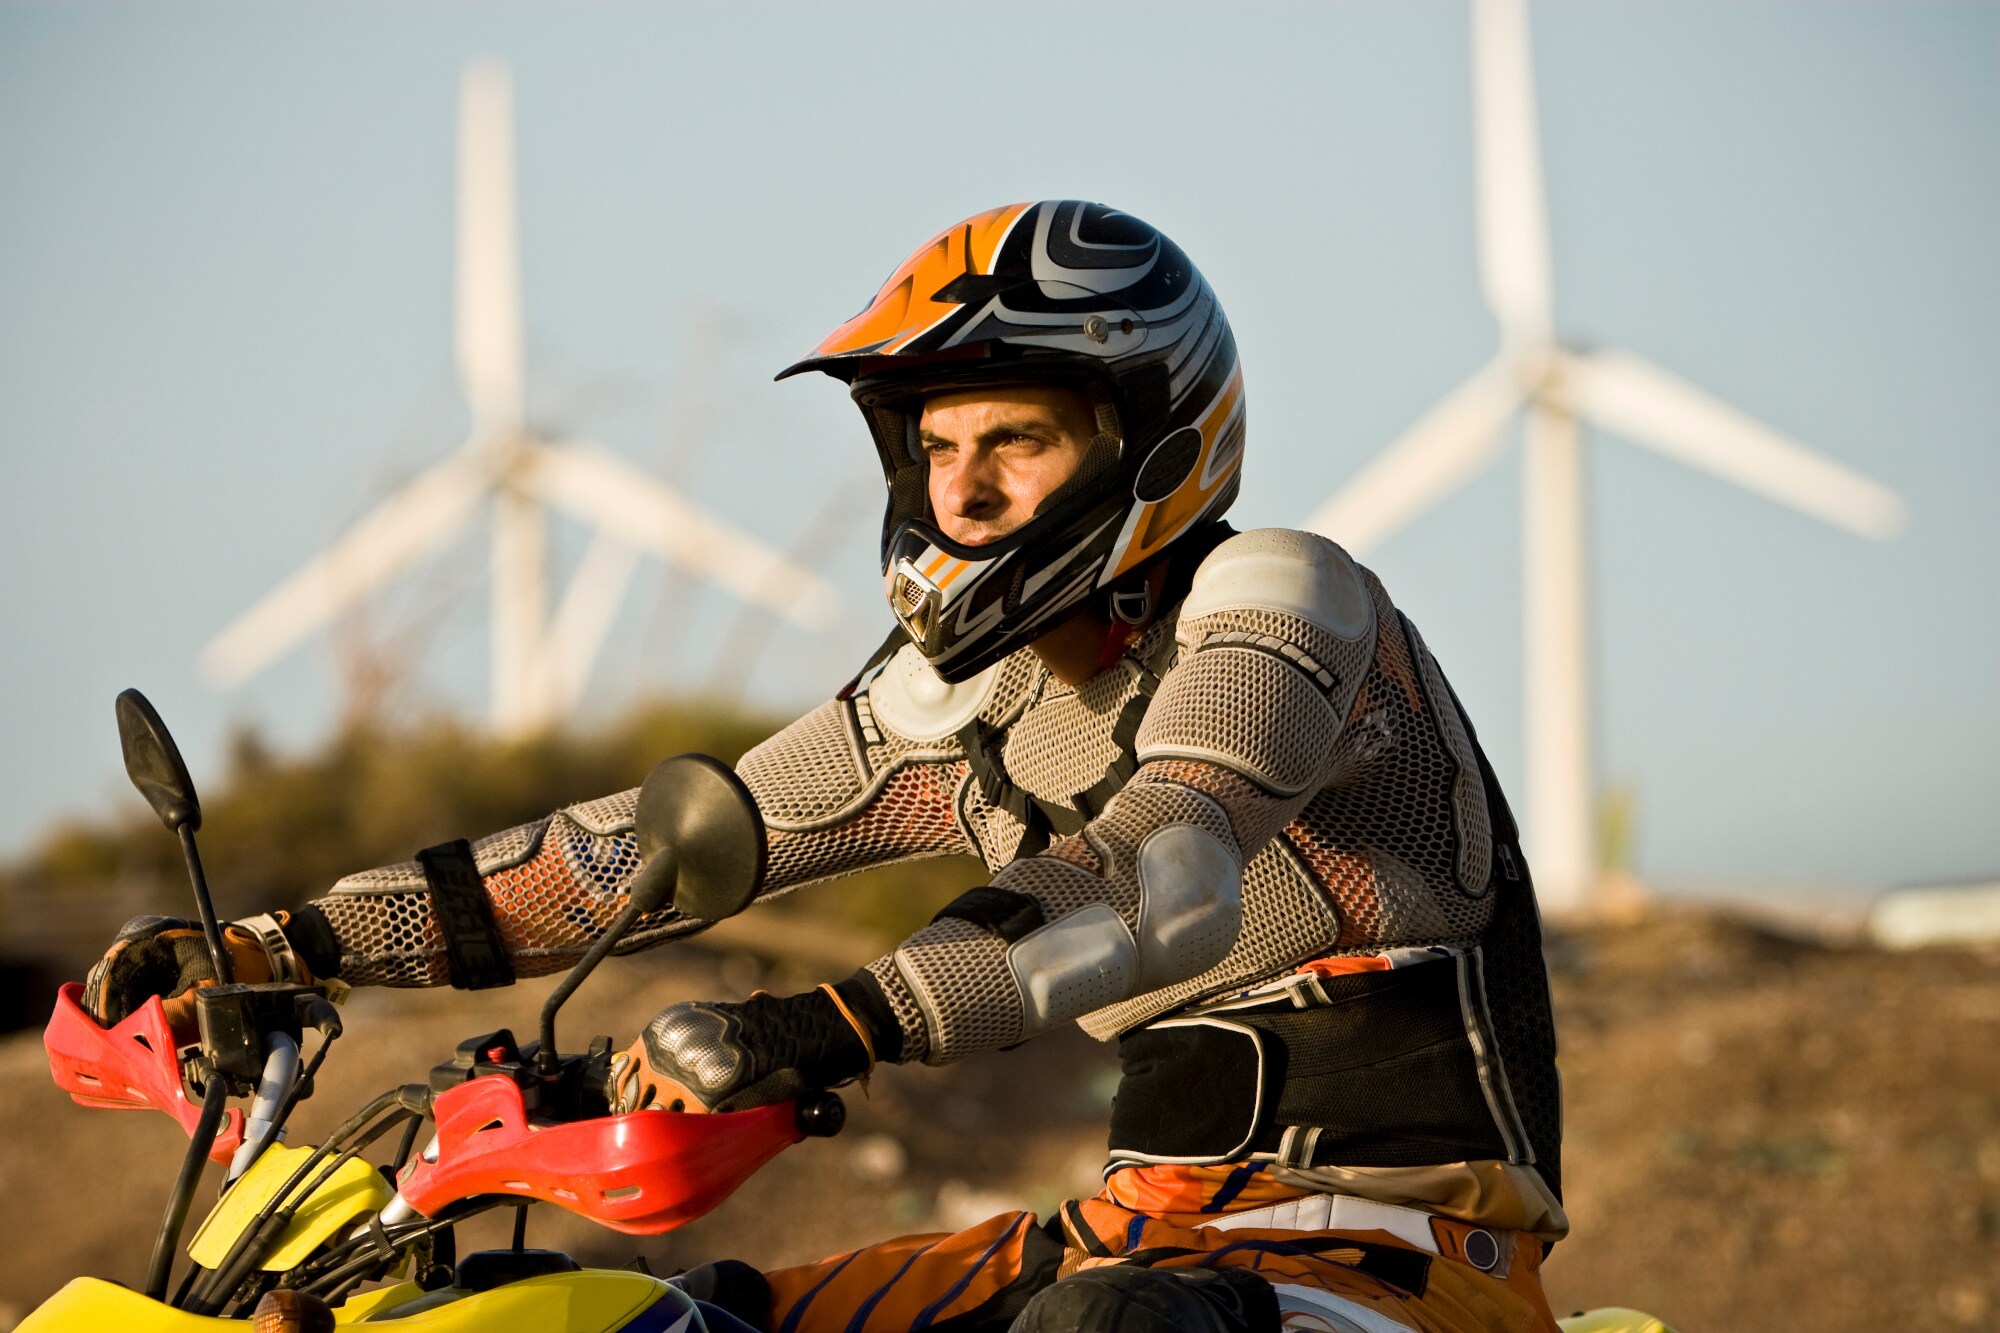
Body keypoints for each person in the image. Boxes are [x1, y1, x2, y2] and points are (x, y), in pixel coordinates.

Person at [88, 201, 1568, 1333]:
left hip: (1395, 1256)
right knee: (641, 1322)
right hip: (1129, 1231)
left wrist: (836, 1018)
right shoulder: (950, 704)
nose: (965, 487)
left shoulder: (1281, 597)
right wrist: (289, 940)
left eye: (1022, 440)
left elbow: (1163, 862)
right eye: (937, 445)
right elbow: (645, 851)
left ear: (1147, 449)